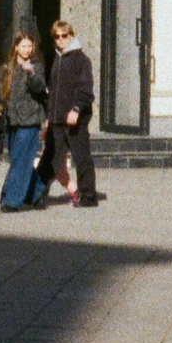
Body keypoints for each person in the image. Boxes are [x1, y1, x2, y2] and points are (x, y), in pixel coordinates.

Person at [46, 19, 103, 208]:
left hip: (74, 118)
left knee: (81, 157)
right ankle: (39, 194)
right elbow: (53, 90)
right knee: (53, 159)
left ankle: (88, 196)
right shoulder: (56, 58)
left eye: (64, 35)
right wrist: (48, 117)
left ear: (71, 36)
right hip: (56, 118)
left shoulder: (81, 59)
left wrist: (77, 109)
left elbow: (86, 89)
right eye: (57, 36)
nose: (61, 39)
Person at [0, 30, 50, 212]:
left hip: (30, 120)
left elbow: (40, 89)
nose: (26, 50)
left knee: (20, 162)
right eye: (23, 46)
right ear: (16, 47)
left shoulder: (36, 66)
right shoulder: (7, 67)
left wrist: (31, 73)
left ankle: (11, 201)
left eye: (29, 46)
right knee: (20, 160)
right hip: (11, 120)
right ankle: (36, 192)